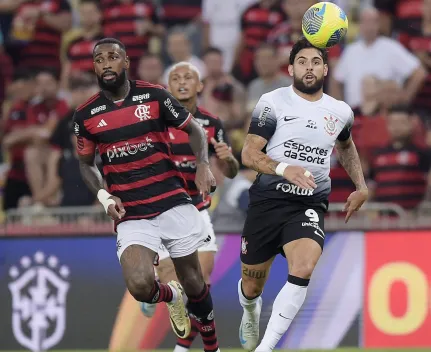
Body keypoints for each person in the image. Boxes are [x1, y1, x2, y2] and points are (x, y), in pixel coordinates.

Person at [72, 38, 221, 352]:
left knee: (195, 282)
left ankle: (212, 346)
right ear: (95, 66)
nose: (106, 64)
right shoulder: (86, 116)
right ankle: (171, 296)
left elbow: (194, 130)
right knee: (140, 285)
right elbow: (85, 165)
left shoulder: (154, 95)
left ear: (125, 62)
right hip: (132, 212)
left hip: (172, 201)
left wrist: (203, 165)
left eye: (113, 57)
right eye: (100, 59)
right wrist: (103, 196)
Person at [238, 37, 368, 352]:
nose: (308, 68)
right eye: (302, 62)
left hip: (308, 204)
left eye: (314, 62)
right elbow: (249, 154)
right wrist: (285, 169)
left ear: (325, 69)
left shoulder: (340, 111)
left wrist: (361, 187)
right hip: (268, 201)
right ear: (290, 68)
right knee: (253, 284)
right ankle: (250, 309)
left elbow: (346, 146)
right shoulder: (273, 102)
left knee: (304, 266)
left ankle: (265, 348)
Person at [140, 61, 239, 352]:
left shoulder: (211, 124)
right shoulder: (153, 123)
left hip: (197, 212)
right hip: (162, 212)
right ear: (167, 87)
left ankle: (184, 349)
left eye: (188, 77)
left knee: (201, 286)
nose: (182, 82)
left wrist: (228, 158)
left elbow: (231, 171)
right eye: (175, 78)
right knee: (179, 288)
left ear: (200, 86)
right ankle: (156, 290)